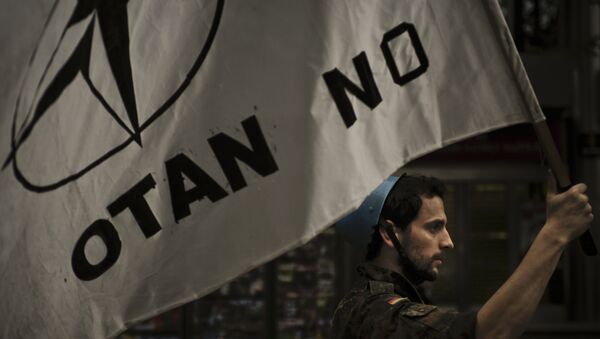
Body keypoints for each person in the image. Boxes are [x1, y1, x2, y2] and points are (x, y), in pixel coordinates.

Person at [331, 173, 593, 338]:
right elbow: (487, 333)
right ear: (390, 234)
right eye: (434, 227)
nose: (448, 242)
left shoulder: (381, 300)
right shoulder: (373, 311)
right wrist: (555, 234)